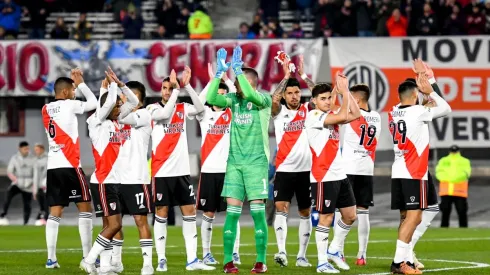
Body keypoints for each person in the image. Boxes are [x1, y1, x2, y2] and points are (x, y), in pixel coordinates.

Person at [206, 46, 272, 273]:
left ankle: (261, 261)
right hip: (234, 163)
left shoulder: (264, 99)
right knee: (232, 214)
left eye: (237, 82)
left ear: (250, 81)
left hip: (256, 163)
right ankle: (227, 261)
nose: (234, 86)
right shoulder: (233, 99)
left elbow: (251, 94)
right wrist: (218, 74)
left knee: (257, 213)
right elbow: (211, 97)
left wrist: (238, 72)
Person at [147, 67, 213, 271]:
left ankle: (192, 259)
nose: (167, 92)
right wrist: (177, 90)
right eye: (165, 88)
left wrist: (187, 86)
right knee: (162, 213)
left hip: (182, 172)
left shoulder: (183, 108)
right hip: (162, 172)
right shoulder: (152, 110)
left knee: (190, 212)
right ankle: (161, 259)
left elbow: (201, 108)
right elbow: (166, 113)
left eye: (170, 88)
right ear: (161, 90)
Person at [388, 61, 451, 274]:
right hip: (413, 171)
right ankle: (399, 262)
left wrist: (425, 86)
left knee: (407, 216)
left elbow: (429, 105)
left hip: (399, 169)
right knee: (414, 217)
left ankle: (405, 258)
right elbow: (445, 107)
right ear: (415, 95)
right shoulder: (418, 112)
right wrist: (431, 85)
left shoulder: (394, 111)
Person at [80, 69, 139, 274]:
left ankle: (105, 267)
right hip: (103, 181)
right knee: (115, 225)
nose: (122, 108)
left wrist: (121, 84)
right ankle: (89, 260)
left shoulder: (116, 121)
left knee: (108, 225)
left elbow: (133, 103)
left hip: (114, 181)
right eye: (117, 105)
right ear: (109, 106)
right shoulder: (96, 122)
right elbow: (108, 102)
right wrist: (112, 85)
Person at [305, 74, 361, 273]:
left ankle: (335, 249)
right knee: (326, 218)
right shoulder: (314, 117)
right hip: (323, 176)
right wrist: (344, 92)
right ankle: (322, 263)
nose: (327, 101)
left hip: (339, 174)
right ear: (314, 101)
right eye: (322, 99)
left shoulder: (330, 114)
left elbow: (355, 115)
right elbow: (346, 116)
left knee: (350, 215)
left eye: (329, 98)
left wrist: (346, 93)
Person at [41, 68, 97, 269]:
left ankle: (51, 258)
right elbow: (94, 103)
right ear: (65, 92)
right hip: (71, 165)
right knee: (85, 207)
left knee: (55, 212)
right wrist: (81, 82)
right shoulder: (70, 105)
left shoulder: (45, 109)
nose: (75, 93)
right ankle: (88, 256)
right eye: (73, 90)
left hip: (53, 167)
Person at [104, 79, 155, 275]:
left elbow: (122, 116)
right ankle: (116, 262)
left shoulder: (143, 115)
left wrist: (119, 93)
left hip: (136, 179)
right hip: (116, 179)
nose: (126, 101)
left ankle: (147, 264)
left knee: (140, 221)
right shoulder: (117, 119)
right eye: (123, 98)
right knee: (114, 224)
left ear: (139, 100)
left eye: (131, 97)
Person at [195, 63, 241, 265]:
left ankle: (236, 252)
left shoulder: (232, 114)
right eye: (218, 94)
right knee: (209, 213)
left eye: (225, 94)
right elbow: (200, 100)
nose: (222, 97)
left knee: (234, 212)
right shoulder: (203, 114)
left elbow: (239, 95)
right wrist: (214, 80)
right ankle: (206, 252)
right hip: (209, 171)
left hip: (230, 171)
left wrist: (225, 78)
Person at [270, 60, 312, 268]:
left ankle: (302, 256)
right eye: (290, 93)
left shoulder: (307, 110)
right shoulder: (278, 114)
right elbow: (274, 99)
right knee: (281, 207)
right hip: (285, 170)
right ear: (285, 96)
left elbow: (323, 95)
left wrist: (303, 76)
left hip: (306, 171)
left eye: (297, 92)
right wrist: (286, 77)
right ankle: (282, 251)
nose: (294, 96)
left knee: (305, 212)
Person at [340, 84, 381, 266]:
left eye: (350, 98)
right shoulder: (377, 117)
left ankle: (339, 251)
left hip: (347, 169)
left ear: (356, 100)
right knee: (364, 212)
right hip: (366, 169)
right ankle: (361, 255)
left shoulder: (350, 117)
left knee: (341, 212)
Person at [0, 141, 35, 226]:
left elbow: (36, 172)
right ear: (20, 149)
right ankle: (3, 215)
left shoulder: (33, 158)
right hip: (17, 183)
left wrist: (34, 184)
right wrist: (15, 180)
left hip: (28, 184)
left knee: (27, 203)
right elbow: (10, 171)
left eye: (27, 148)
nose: (27, 150)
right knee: (8, 196)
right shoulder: (14, 158)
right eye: (25, 149)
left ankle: (25, 223)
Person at [436, 145, 471, 228]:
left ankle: (463, 228)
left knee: (461, 211)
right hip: (447, 191)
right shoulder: (443, 160)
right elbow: (438, 173)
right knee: (445, 211)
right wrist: (454, 178)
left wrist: (449, 179)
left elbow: (466, 174)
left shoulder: (464, 161)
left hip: (459, 192)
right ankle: (444, 227)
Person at [33, 143, 48, 226]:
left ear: (42, 149)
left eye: (37, 150)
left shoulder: (48, 159)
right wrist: (34, 190)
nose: (36, 152)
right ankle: (41, 218)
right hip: (38, 186)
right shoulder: (35, 160)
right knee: (41, 204)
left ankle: (45, 219)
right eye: (35, 150)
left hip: (46, 186)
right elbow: (35, 176)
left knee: (46, 204)